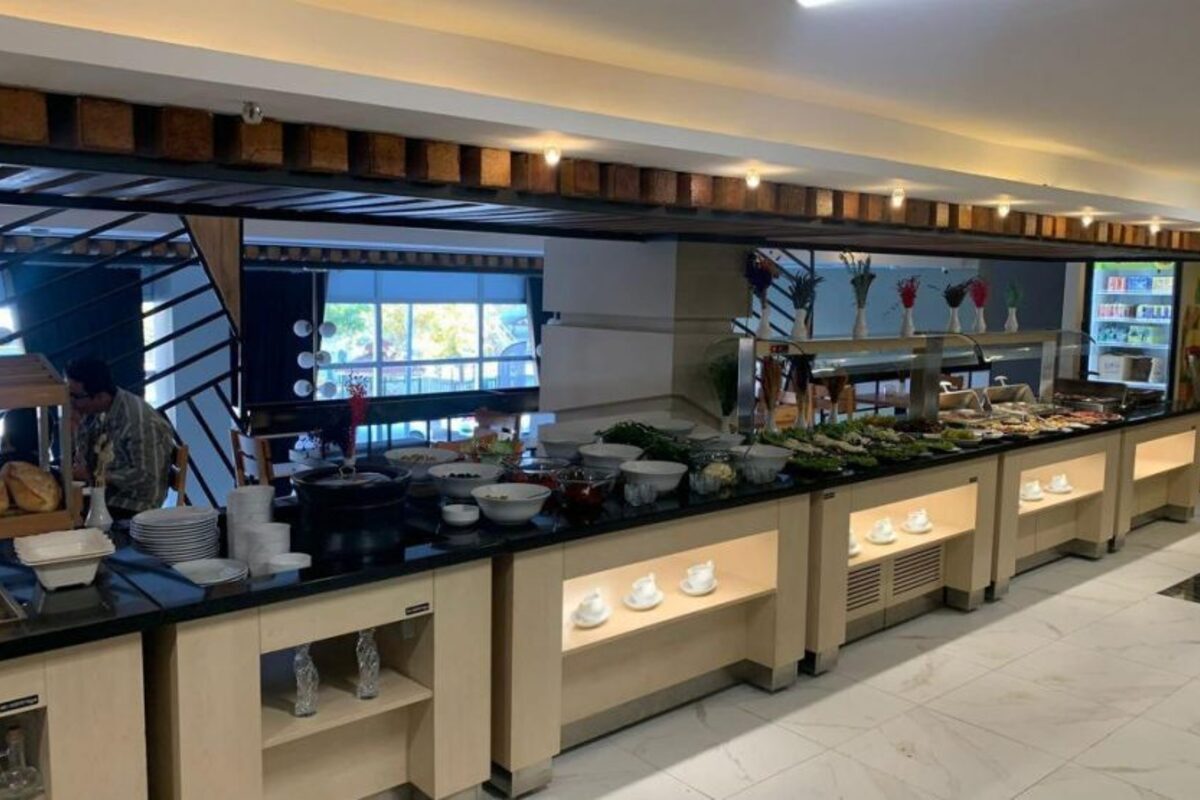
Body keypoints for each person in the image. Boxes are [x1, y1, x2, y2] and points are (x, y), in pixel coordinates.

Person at [67, 356, 175, 518]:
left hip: (133, 506)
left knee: (64, 515)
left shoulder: (140, 422)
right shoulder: (102, 410)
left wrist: (94, 476)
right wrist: (76, 427)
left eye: (75, 396)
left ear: (100, 396)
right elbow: (84, 458)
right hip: (107, 497)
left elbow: (146, 477)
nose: (71, 401)